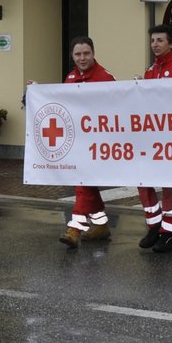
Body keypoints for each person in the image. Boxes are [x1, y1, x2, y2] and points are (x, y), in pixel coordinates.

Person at [136, 25, 172, 254]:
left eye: (160, 40)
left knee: (169, 185)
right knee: (142, 179)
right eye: (152, 41)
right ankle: (154, 224)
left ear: (171, 44)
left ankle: (169, 233)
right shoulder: (150, 71)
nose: (155, 45)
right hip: (150, 136)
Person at [59, 37, 115, 248]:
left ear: (93, 54)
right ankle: (101, 224)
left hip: (99, 143)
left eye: (86, 53)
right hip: (78, 143)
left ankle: (75, 228)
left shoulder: (105, 78)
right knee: (85, 183)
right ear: (72, 56)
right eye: (78, 54)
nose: (82, 58)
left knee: (83, 182)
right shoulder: (71, 77)